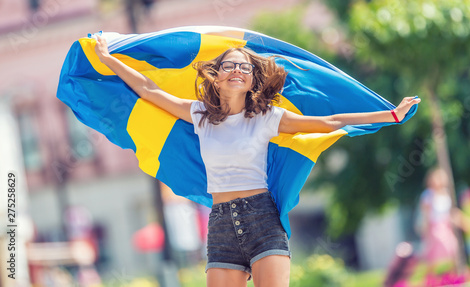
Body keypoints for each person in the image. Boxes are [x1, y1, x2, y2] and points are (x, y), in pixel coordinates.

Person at [94, 35, 420, 287]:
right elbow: (148, 89)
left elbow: (330, 121)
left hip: (262, 221)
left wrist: (389, 115)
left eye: (245, 67)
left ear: (251, 81)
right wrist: (108, 59)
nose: (237, 70)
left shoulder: (266, 117)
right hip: (221, 224)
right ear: (216, 77)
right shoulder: (199, 115)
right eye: (229, 65)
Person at [418, 168, 470, 282]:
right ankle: (429, 279)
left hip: (446, 227)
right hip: (435, 228)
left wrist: (462, 221)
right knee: (434, 255)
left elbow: (450, 212)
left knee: (454, 249)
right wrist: (426, 231)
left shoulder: (446, 194)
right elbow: (426, 215)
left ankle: (458, 275)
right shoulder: (428, 195)